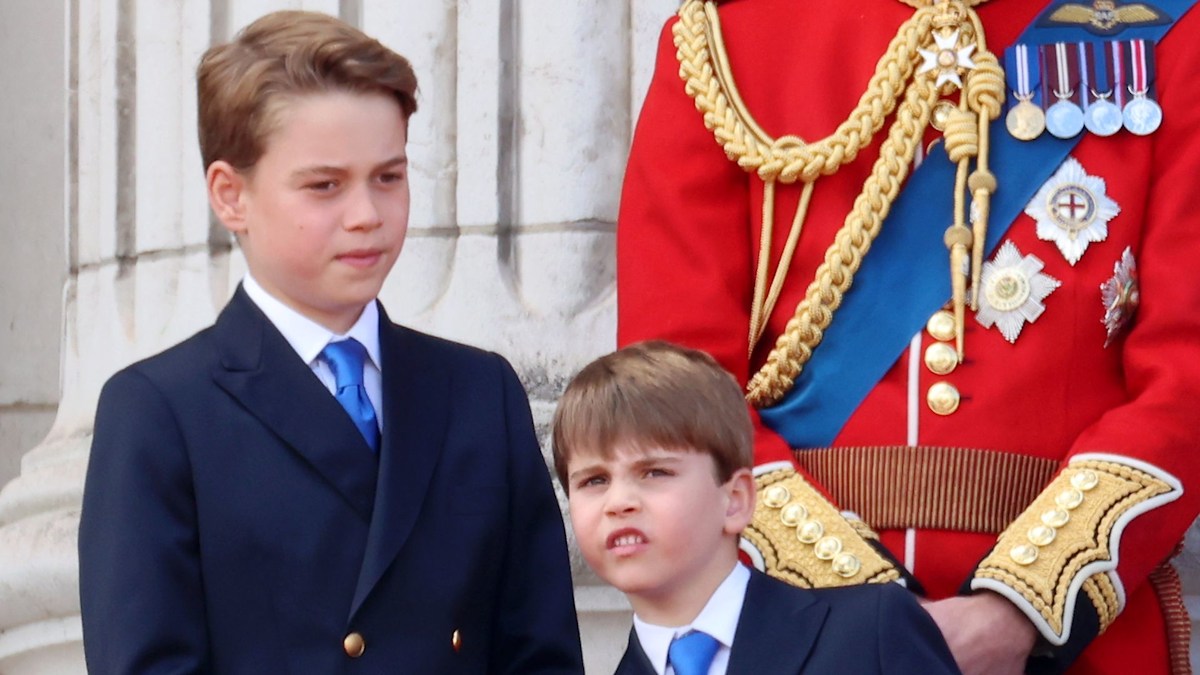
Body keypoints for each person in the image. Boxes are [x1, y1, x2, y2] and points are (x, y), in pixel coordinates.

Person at [617, 0, 1200, 673]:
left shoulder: (1164, 31)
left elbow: (1185, 378)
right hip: (793, 632)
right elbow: (673, 385)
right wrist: (856, 615)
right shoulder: (727, 40)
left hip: (1075, 642)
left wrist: (1021, 604)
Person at [77, 11, 582, 674]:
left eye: (388, 176)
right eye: (325, 185)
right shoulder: (159, 411)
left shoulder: (479, 391)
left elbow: (540, 653)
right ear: (231, 196)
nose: (367, 213)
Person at [552, 341, 961, 674]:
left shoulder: (869, 631)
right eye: (594, 481)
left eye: (655, 473)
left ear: (735, 501)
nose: (619, 503)